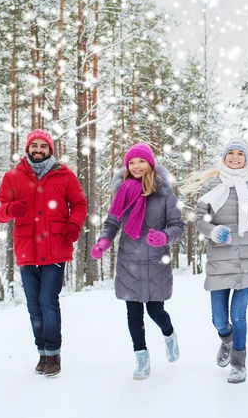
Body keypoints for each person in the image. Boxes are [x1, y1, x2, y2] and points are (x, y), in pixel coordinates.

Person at [0, 129, 87, 377]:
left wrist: (74, 225)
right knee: (34, 305)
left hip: (56, 247)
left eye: (43, 146)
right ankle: (42, 353)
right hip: (27, 249)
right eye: (34, 145)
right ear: (27, 148)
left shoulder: (64, 175)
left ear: (50, 149)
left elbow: (79, 204)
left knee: (48, 301)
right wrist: (12, 208)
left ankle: (54, 353)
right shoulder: (13, 177)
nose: (38, 150)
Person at [186, 137, 248, 384]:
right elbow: (199, 218)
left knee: (239, 315)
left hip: (247, 260)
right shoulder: (211, 186)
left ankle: (239, 363)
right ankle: (226, 339)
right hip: (220, 259)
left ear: (246, 159)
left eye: (240, 154)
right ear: (224, 157)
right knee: (219, 319)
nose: (235, 157)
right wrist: (212, 231)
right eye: (231, 153)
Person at [90, 143, 185, 380]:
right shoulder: (121, 192)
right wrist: (103, 241)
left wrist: (164, 236)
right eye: (131, 162)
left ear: (150, 164)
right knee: (133, 313)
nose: (136, 166)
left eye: (141, 161)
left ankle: (169, 334)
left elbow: (178, 226)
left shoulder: (164, 193)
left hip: (155, 260)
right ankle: (142, 358)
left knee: (156, 311)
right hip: (128, 261)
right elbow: (112, 223)